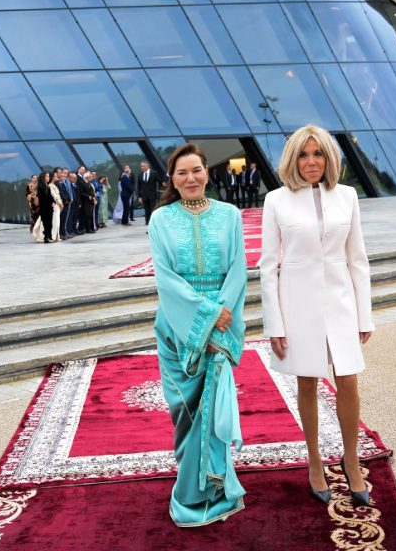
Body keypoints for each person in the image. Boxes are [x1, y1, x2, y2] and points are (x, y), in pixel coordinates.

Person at [258, 124, 374, 506]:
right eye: (304, 155)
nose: (311, 162)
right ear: (294, 159)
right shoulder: (276, 200)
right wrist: (274, 322)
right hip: (298, 305)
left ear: (329, 158)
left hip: (340, 302)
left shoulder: (347, 197)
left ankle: (351, 460)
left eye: (318, 154)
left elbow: (358, 259)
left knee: (349, 380)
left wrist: (364, 315)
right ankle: (313, 461)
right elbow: (268, 265)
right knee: (307, 382)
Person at [148, 142, 247, 526]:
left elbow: (238, 269)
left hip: (222, 322)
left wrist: (221, 316)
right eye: (182, 173)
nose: (190, 178)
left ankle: (216, 487)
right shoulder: (160, 220)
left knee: (214, 408)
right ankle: (190, 495)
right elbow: (165, 278)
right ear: (172, 179)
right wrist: (204, 317)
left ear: (208, 172)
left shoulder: (231, 215)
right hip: (177, 329)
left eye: (197, 170)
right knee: (187, 413)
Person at [33, 171, 54, 244]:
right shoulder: (41, 187)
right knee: (46, 222)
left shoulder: (47, 185)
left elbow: (50, 196)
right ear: (43, 177)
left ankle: (48, 235)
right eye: (47, 176)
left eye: (48, 176)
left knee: (49, 222)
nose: (48, 178)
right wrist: (51, 202)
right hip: (44, 207)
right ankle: (46, 237)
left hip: (49, 207)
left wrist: (52, 202)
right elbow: (44, 198)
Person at [137, 160, 160, 225]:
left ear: (147, 166)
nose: (141, 167)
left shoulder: (154, 173)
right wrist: (139, 197)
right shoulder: (140, 175)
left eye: (143, 166)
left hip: (152, 195)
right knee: (146, 209)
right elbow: (139, 187)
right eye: (141, 166)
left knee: (153, 209)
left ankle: (153, 221)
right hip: (144, 196)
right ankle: (147, 222)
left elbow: (160, 182)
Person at [49, 172, 63, 242]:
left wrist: (60, 203)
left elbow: (58, 195)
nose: (56, 177)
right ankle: (53, 236)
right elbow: (54, 196)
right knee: (55, 221)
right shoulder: (50, 186)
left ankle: (57, 236)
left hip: (58, 205)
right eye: (54, 176)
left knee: (57, 221)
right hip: (55, 205)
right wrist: (60, 203)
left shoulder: (54, 185)